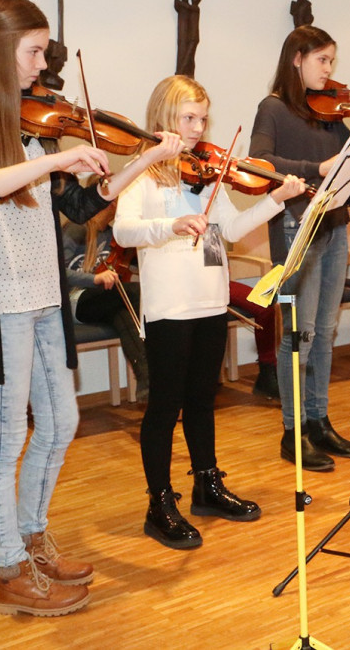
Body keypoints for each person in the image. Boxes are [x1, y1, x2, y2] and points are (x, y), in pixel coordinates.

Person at [0, 0, 182, 616]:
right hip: (3, 299)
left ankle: (34, 540)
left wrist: (144, 158)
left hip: (43, 295)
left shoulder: (28, 118)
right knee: (4, 434)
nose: (42, 64)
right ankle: (8, 568)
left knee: (62, 423)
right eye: (33, 51)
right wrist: (57, 161)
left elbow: (81, 206)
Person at [113, 74, 306, 549]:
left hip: (209, 299)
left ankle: (207, 484)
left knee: (203, 398)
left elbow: (234, 230)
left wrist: (274, 200)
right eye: (188, 118)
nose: (198, 128)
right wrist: (171, 224)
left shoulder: (206, 172)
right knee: (165, 406)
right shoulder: (143, 169)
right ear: (164, 117)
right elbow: (123, 231)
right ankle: (159, 503)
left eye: (202, 118)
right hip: (171, 305)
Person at [249, 25, 350, 472]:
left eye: (332, 60)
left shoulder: (329, 112)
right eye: (323, 60)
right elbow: (262, 162)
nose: (330, 70)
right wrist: (317, 167)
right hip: (297, 227)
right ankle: (292, 431)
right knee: (300, 333)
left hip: (334, 227)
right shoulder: (272, 108)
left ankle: (319, 420)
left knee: (327, 330)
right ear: (297, 58)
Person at [63, 197, 149, 400]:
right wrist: (94, 279)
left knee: (122, 313)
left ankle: (146, 380)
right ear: (112, 204)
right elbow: (57, 272)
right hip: (73, 301)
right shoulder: (75, 230)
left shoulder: (112, 234)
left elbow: (133, 264)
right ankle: (159, 368)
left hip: (97, 301)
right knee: (134, 292)